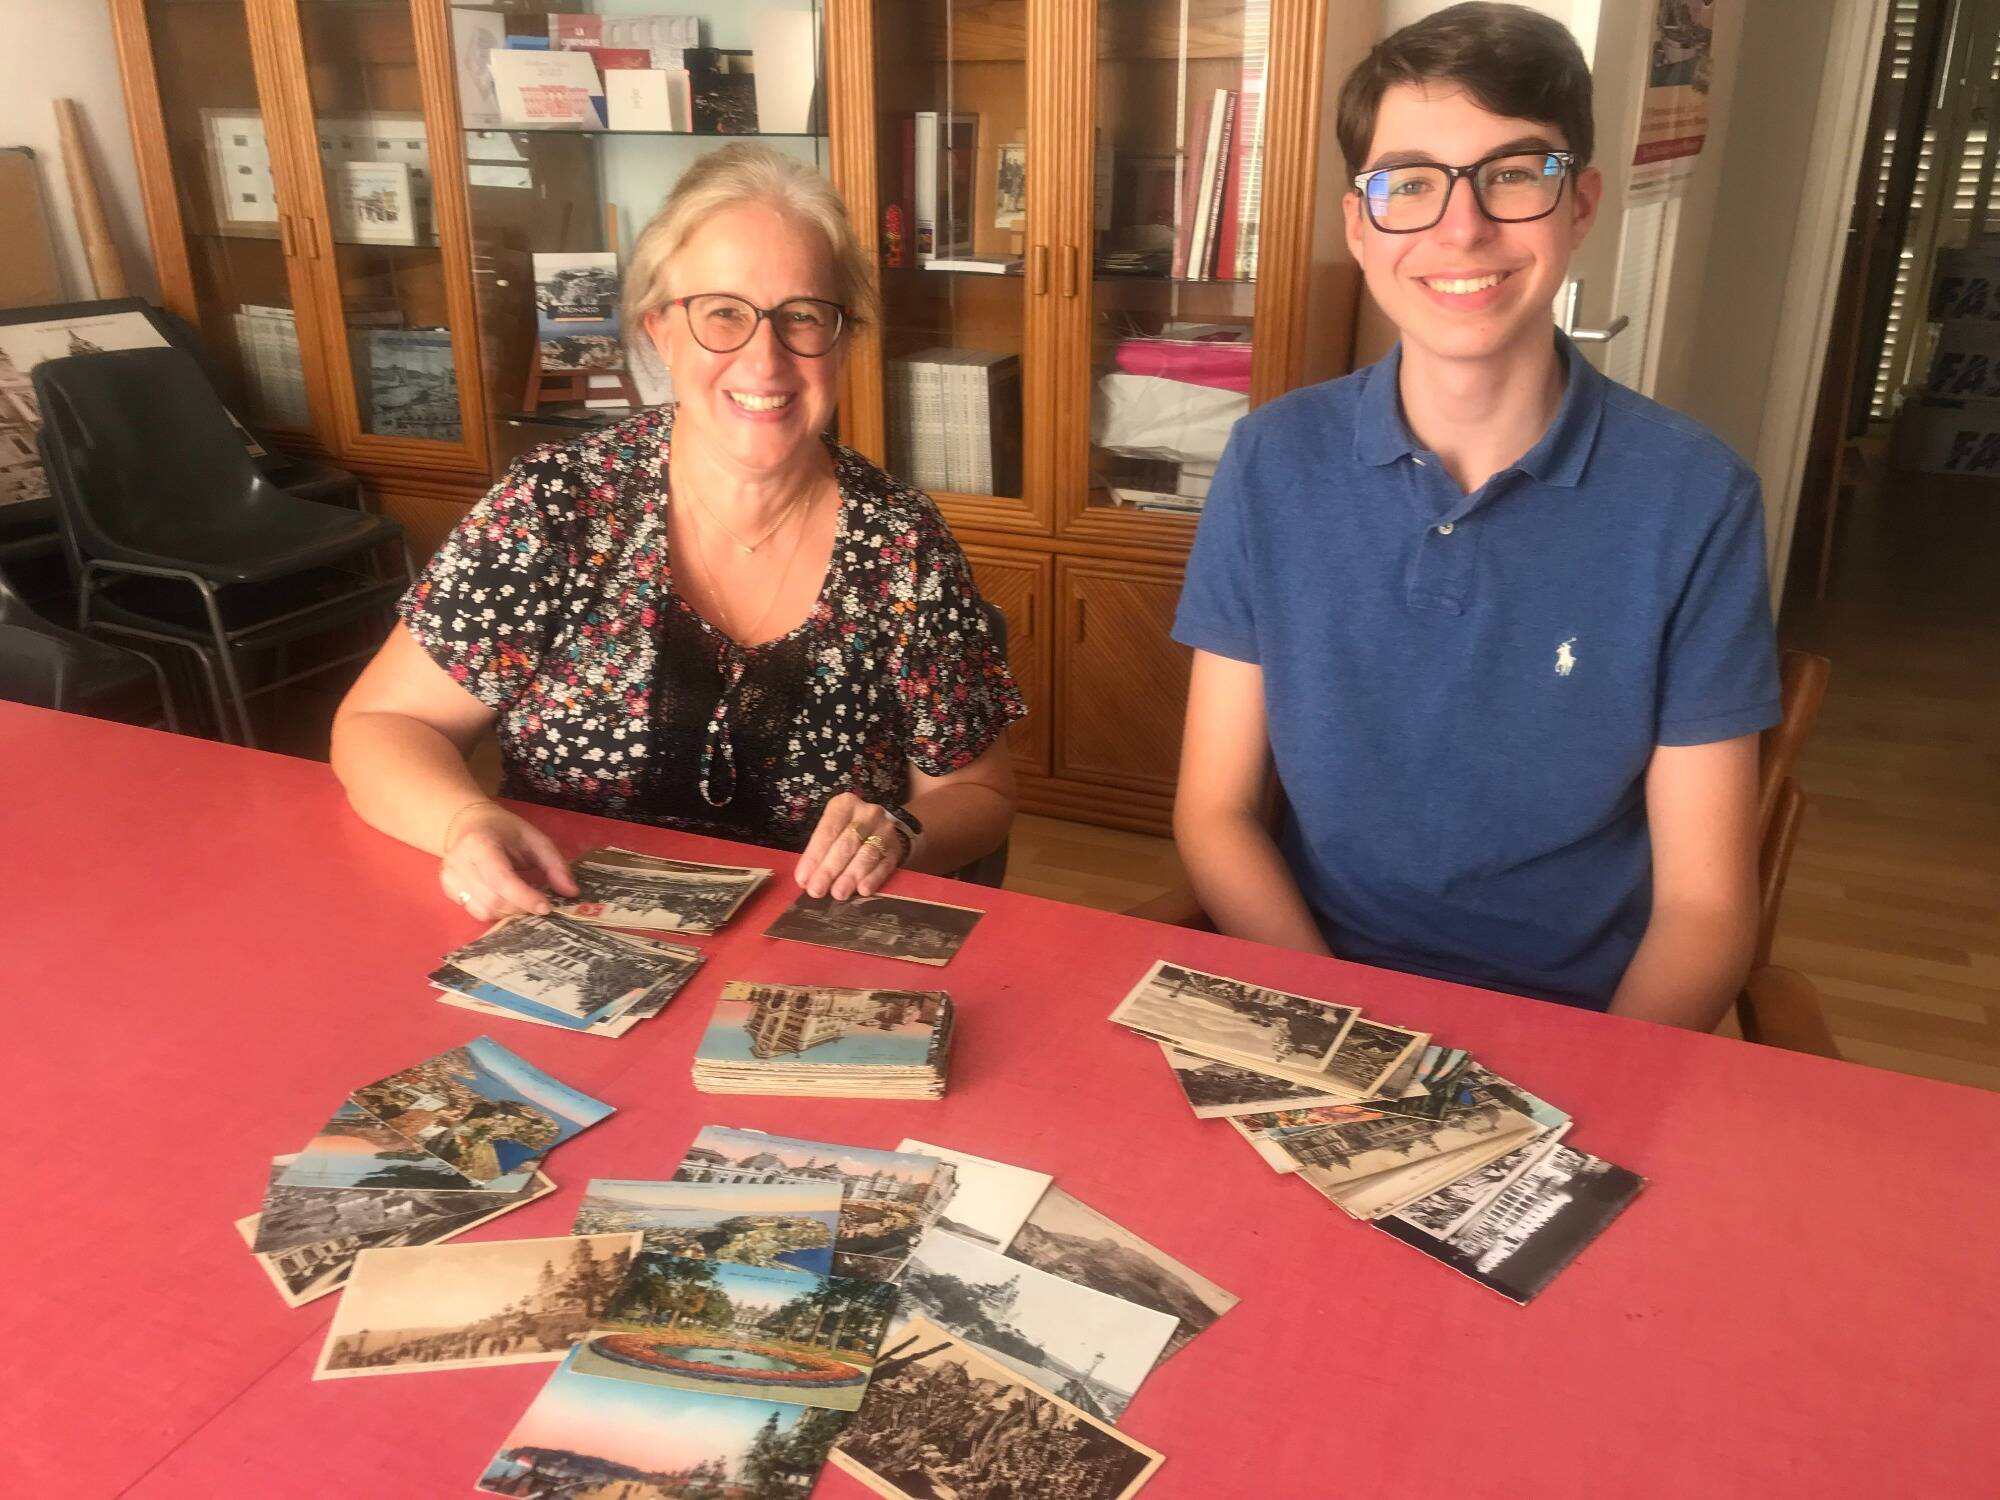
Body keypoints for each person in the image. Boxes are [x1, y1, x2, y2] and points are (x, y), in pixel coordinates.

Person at [1170, 2, 1780, 1030]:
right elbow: (1215, 813)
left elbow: (1705, 907)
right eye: (1408, 182)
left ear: (1580, 203)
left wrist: (1594, 1100)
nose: (1461, 227)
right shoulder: (1270, 461)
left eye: (1511, 173)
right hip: (1321, 1001)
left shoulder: (1694, 497)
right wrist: (1334, 1034)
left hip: (1586, 1034)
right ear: (1357, 224)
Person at [333, 144, 1023, 920]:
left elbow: (977, 791)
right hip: (565, 938)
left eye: (802, 316)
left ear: (842, 339)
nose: (764, 359)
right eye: (722, 312)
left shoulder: (904, 544)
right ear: (661, 329)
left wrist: (902, 831)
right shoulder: (557, 508)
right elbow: (384, 723)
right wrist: (463, 822)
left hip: (805, 973)